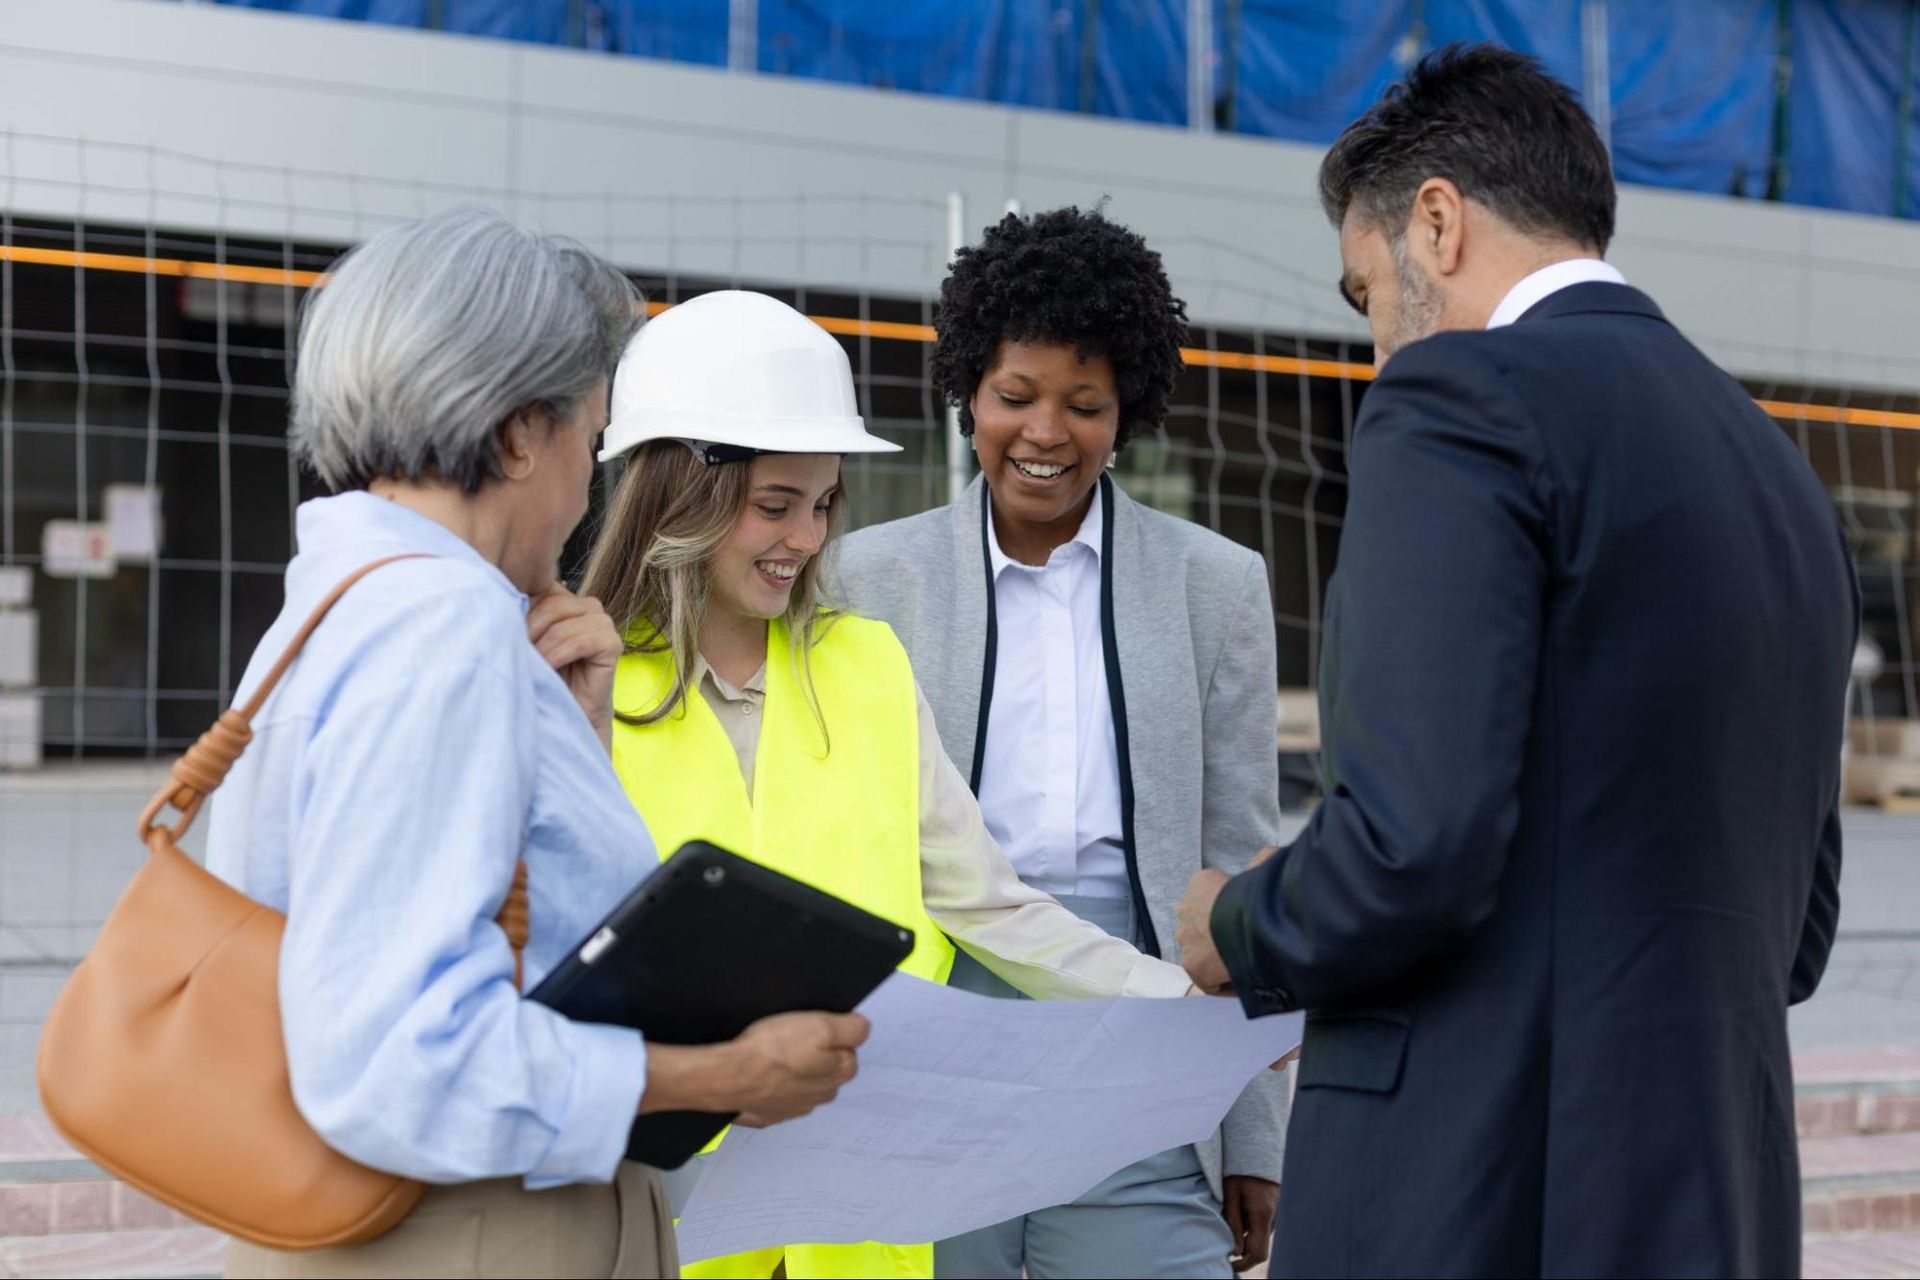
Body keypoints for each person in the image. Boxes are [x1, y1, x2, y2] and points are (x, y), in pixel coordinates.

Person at [1173, 45, 1858, 1278]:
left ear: (1435, 220)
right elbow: (1796, 931)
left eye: (1366, 292)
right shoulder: (1783, 474)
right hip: (1715, 1203)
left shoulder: (1458, 401)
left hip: (1473, 1194)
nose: (1378, 343)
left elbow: (1412, 848)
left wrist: (1241, 918)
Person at [205, 209, 869, 1280]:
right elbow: (402, 1056)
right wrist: (717, 1069)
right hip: (468, 1228)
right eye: (589, 431)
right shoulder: (442, 627)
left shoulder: (344, 598)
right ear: (520, 433)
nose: (589, 478)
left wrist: (571, 742)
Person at [579, 288, 1197, 1280]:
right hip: (659, 1215)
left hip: (856, 1219)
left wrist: (1176, 1000)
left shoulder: (865, 666)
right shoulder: (587, 678)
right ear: (676, 492)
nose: (806, 538)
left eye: (823, 504)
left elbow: (985, 900)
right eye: (775, 506)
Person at [835, 206, 1291, 1280]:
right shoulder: (865, 578)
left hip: (1139, 1013)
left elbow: (1241, 853)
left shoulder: (1215, 585)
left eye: (1084, 405)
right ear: (966, 395)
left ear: (1125, 409)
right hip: (932, 1022)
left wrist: (1254, 1125)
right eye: (1015, 396)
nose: (1046, 433)